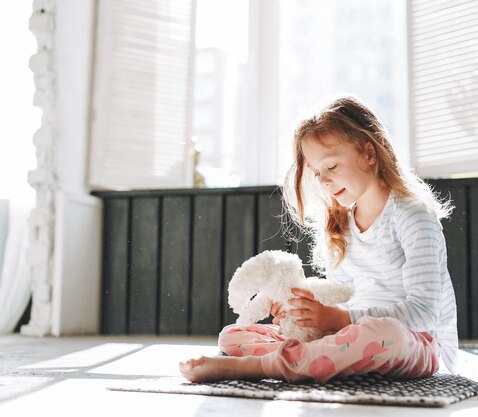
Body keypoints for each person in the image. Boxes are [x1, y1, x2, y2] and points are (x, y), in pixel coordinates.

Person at [179, 96, 458, 383]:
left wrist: (339, 320)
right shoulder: (343, 224)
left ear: (369, 153)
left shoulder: (413, 217)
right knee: (233, 336)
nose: (323, 181)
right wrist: (303, 313)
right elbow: (344, 295)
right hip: (353, 334)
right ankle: (307, 357)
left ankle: (257, 367)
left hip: (414, 342)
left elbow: (424, 314)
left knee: (382, 335)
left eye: (332, 167)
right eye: (316, 173)